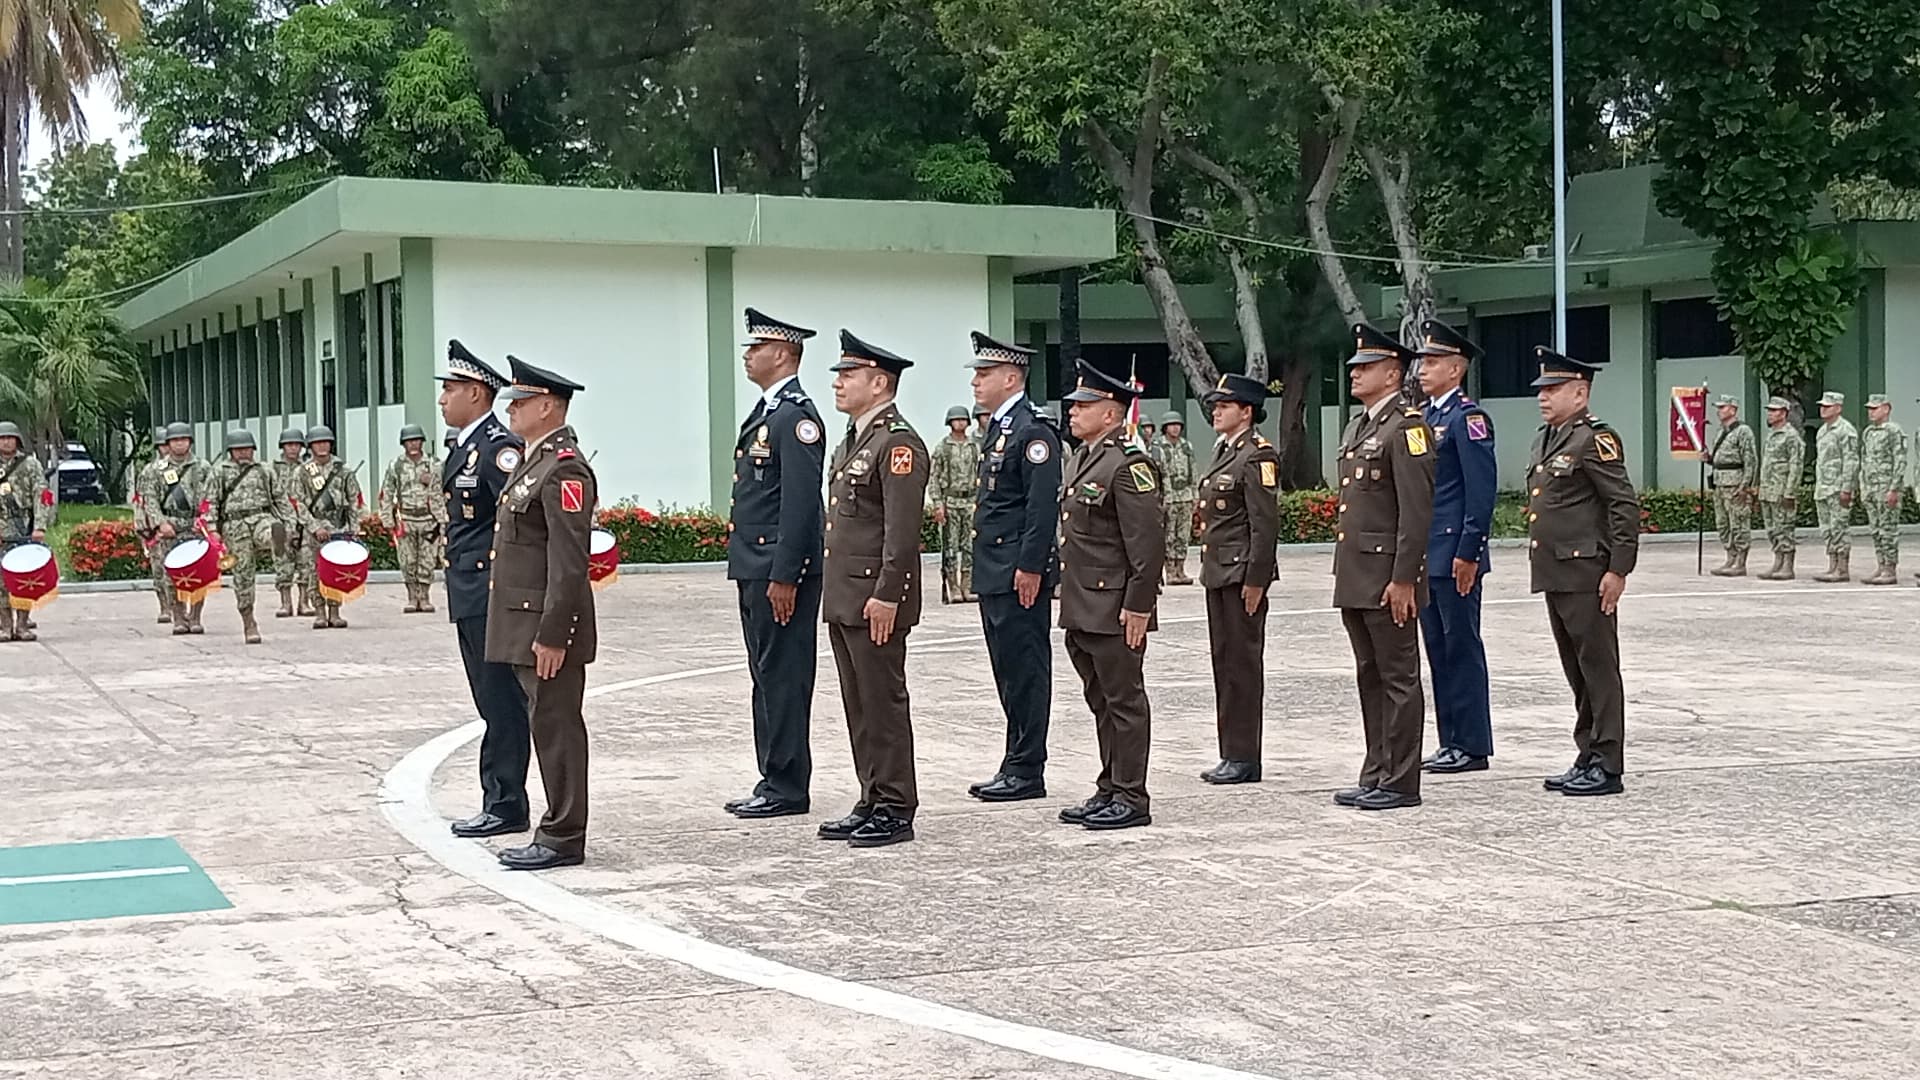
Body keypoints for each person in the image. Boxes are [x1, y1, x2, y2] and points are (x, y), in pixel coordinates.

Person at [818, 331, 930, 848]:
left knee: (882, 702)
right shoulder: (855, 439)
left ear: (879, 382)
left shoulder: (898, 443)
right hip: (846, 596)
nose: (839, 383)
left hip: (875, 599)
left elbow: (901, 533)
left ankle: (895, 805)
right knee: (858, 703)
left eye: (849, 374)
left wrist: (889, 593)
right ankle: (872, 795)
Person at [487, 355, 598, 871]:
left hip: (547, 627)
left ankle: (562, 834)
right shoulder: (534, 461)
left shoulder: (565, 468)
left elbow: (569, 563)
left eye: (522, 402)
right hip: (524, 623)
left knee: (556, 727)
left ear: (548, 406)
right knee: (545, 723)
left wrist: (555, 633)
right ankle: (556, 827)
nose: (512, 411)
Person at [724, 308, 826, 820]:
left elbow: (801, 506)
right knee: (764, 673)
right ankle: (773, 775)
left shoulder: (795, 418)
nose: (747, 355)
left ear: (783, 354)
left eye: (756, 347)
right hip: (754, 565)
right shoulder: (768, 413)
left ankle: (788, 782)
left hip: (776, 570)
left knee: (783, 675)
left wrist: (787, 574)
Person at [1055, 360, 1164, 829]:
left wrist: (1139, 606)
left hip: (1115, 607)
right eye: (1074, 405)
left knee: (1124, 701)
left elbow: (1147, 546)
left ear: (1113, 414)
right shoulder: (1083, 458)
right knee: (1101, 701)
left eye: (1085, 405)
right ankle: (1110, 785)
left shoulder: (1129, 466)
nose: (1073, 412)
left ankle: (1132, 796)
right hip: (1083, 606)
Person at [1528, 347, 1640, 797]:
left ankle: (1608, 762)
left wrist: (1618, 568)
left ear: (1580, 392)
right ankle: (1588, 751)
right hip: (1556, 571)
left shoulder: (1595, 438)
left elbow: (1622, 504)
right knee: (1576, 670)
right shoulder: (1547, 437)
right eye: (1542, 390)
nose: (1544, 397)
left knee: (1598, 668)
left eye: (1553, 389)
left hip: (1587, 571)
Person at [1331, 326, 1434, 812]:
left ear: (1393, 373)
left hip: (1388, 577)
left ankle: (1400, 780)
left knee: (1398, 677)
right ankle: (1376, 770)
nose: (1355, 373)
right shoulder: (1359, 427)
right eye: (1354, 366)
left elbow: (1415, 512)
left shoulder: (1407, 427)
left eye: (1366, 367)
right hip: (1357, 575)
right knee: (1369, 676)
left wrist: (1403, 578)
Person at [437, 340, 533, 840]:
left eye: (450, 389)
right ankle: (499, 797)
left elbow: (518, 523)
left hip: (491, 591)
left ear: (477, 393)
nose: (442, 399)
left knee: (500, 701)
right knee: (488, 699)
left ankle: (506, 803)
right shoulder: (464, 446)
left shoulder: (498, 450)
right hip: (469, 590)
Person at [965, 331, 1062, 802]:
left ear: (1011, 376)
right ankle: (1015, 759)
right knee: (1007, 668)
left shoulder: (1033, 429)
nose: (976, 383)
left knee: (1025, 668)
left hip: (1016, 571)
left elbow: (1041, 508)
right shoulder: (1000, 428)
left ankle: (1028, 768)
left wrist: (1031, 567)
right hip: (995, 567)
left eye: (984, 374)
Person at [1414, 319, 1497, 775]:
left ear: (1456, 368)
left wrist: (1470, 551)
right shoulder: (1427, 418)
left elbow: (1479, 492)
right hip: (1429, 553)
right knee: (1438, 648)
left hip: (1455, 553)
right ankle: (1450, 740)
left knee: (1461, 646)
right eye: (1423, 361)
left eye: (1433, 362)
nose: (1423, 370)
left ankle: (1472, 743)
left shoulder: (1469, 419)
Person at [1194, 375, 1280, 784]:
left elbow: (1265, 526)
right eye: (1215, 406)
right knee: (1223, 663)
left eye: (1224, 406)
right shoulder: (1224, 451)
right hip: (1218, 572)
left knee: (1242, 666)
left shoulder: (1257, 456)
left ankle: (1245, 756)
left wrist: (1256, 580)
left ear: (1246, 411)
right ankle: (1231, 751)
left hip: (1241, 574)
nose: (1217, 411)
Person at [208, 429, 293, 645]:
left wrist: (289, 523)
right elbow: (211, 502)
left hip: (261, 516)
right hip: (234, 524)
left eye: (246, 449)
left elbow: (280, 498)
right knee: (243, 574)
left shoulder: (265, 470)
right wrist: (212, 529)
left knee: (270, 531)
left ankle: (275, 540)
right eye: (238, 449)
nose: (243, 453)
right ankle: (249, 621)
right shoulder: (220, 472)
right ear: (231, 451)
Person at [139, 422, 214, 635]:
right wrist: (160, 523)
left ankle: (196, 616)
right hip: (169, 526)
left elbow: (212, 496)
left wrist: (206, 521)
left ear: (190, 441)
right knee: (171, 575)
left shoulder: (203, 467)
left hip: (196, 526)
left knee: (200, 573)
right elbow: (149, 499)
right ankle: (178, 617)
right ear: (168, 443)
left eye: (183, 439)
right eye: (174, 440)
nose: (179, 443)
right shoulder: (155, 470)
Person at [297, 424, 364, 629]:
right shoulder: (304, 471)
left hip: (339, 528)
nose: (322, 446)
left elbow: (354, 500)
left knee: (335, 571)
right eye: (318, 443)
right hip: (315, 530)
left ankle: (334, 612)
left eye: (325, 442)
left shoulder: (343, 470)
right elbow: (298, 503)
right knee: (314, 571)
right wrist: (314, 527)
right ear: (311, 446)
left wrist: (354, 528)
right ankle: (319, 612)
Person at [379, 424, 449, 612]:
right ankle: (411, 597)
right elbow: (387, 492)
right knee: (407, 560)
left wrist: (443, 519)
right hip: (406, 519)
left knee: (427, 560)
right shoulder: (397, 465)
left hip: (429, 519)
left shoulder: (435, 464)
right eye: (409, 441)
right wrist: (387, 519)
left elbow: (445, 490)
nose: (413, 444)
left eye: (417, 440)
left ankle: (424, 597)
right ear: (403, 444)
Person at [0, 420, 52, 642]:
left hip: (24, 527)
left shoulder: (30, 465)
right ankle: (4, 627)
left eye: (10, 438)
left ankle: (22, 625)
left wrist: (39, 526)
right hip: (2, 529)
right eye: (2, 438)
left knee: (24, 579)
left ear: (18, 440)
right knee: (1, 583)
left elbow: (42, 496)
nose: (6, 441)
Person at [1700, 394, 1759, 577]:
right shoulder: (1721, 431)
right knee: (1723, 523)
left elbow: (1751, 461)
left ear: (1733, 409)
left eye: (1723, 407)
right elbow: (1721, 459)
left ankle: (1741, 561)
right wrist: (1708, 459)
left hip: (1735, 484)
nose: (1719, 411)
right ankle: (1730, 556)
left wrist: (1745, 487)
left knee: (1738, 523)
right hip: (1719, 483)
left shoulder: (1743, 431)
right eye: (1718, 407)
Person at [929, 404, 981, 603]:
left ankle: (967, 585)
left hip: (970, 500)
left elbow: (980, 473)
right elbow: (934, 477)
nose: (960, 423)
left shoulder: (974, 446)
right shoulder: (943, 447)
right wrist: (937, 503)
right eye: (956, 420)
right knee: (951, 547)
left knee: (970, 546)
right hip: (950, 501)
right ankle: (953, 586)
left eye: (963, 419)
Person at [1811, 390, 1859, 583]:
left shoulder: (1845, 430)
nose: (1823, 409)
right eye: (1822, 406)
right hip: (1823, 487)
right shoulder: (1823, 430)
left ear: (1838, 408)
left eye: (1828, 406)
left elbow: (1851, 461)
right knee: (1827, 529)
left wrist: (1847, 488)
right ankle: (1832, 565)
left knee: (1839, 527)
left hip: (1838, 487)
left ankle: (1842, 568)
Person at [1858, 394, 1906, 585]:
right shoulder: (1869, 432)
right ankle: (1881, 564)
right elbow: (1864, 460)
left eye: (1875, 408)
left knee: (1888, 530)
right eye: (1869, 408)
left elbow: (1900, 461)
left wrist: (1894, 489)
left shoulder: (1894, 431)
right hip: (1871, 489)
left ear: (1886, 409)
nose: (1871, 412)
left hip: (1886, 487)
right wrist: (1863, 487)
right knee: (1876, 529)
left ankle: (1890, 568)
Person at [1756, 398, 1805, 581]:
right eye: (1769, 410)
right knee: (1772, 529)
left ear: (1784, 413)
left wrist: (1790, 492)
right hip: (1768, 489)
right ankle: (1777, 561)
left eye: (1774, 410)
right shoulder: (1771, 435)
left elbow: (1796, 465)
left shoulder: (1791, 436)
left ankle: (1787, 565)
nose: (1770, 413)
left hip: (1782, 490)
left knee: (1785, 527)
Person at [131, 426, 172, 623]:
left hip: (182, 524)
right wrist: (143, 527)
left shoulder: (194, 468)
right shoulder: (149, 471)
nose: (167, 448)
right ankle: (165, 607)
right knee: (159, 569)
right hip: (156, 529)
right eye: (164, 445)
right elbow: (142, 501)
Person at [269, 429, 310, 618]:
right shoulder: (273, 469)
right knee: (283, 564)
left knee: (306, 563)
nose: (293, 448)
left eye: (297, 445)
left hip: (304, 521)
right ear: (283, 446)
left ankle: (304, 602)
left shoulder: (309, 468)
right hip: (282, 521)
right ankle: (286, 603)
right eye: (289, 445)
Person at [1156, 410, 1196, 586]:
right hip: (1169, 497)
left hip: (1185, 496)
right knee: (1169, 535)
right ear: (1165, 428)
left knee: (1183, 534)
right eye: (1172, 425)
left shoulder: (1186, 446)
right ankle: (1170, 570)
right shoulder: (1159, 447)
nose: (1175, 428)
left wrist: (1195, 495)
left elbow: (1192, 471)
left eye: (1178, 425)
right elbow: (1160, 474)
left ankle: (1181, 569)